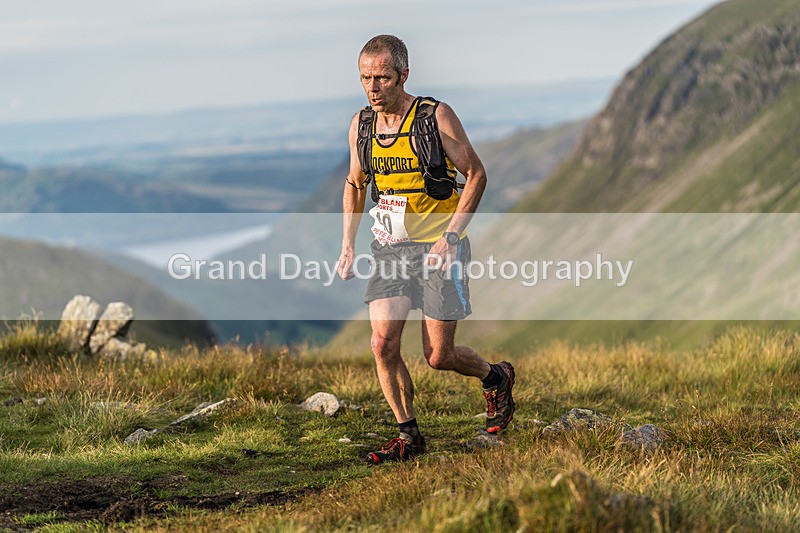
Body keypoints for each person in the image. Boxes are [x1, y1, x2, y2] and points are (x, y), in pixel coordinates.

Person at [337, 35, 515, 464]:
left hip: (440, 250)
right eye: (365, 78)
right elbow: (355, 183)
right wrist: (347, 244)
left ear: (404, 75)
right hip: (390, 248)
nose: (373, 88)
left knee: (439, 355)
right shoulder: (361, 125)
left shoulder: (435, 117)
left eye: (382, 77)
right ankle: (408, 433)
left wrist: (451, 237)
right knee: (383, 344)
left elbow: (475, 174)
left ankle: (496, 378)